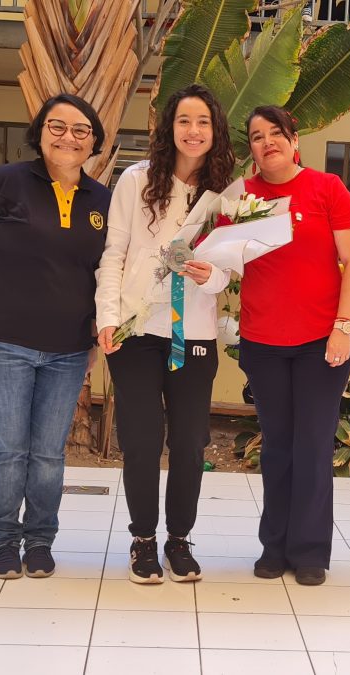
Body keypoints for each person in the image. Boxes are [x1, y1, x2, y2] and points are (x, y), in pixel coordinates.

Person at [0, 93, 109, 580]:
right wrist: (1, 291)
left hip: (68, 347)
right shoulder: (3, 184)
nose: (69, 137)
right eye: (57, 127)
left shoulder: (102, 201)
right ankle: (4, 540)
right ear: (39, 133)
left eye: (81, 130)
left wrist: (93, 341)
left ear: (95, 143)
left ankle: (40, 540)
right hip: (4, 342)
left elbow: (105, 270)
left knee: (47, 451)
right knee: (8, 447)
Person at [95, 84, 235, 584]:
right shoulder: (135, 181)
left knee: (191, 443)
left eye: (203, 122)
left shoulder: (226, 194)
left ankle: (179, 539)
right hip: (137, 330)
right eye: (184, 121)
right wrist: (107, 316)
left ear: (215, 130)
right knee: (141, 438)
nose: (193, 131)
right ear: (168, 128)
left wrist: (210, 276)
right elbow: (114, 253)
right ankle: (143, 540)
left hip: (193, 334)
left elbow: (229, 270)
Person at [238, 105, 350, 586]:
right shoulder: (241, 197)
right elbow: (224, 258)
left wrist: (344, 326)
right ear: (250, 149)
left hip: (321, 342)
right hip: (262, 341)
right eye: (256, 135)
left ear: (294, 140)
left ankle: (310, 550)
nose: (267, 141)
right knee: (276, 448)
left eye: (275, 133)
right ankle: (274, 546)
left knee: (312, 447)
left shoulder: (327, 190)